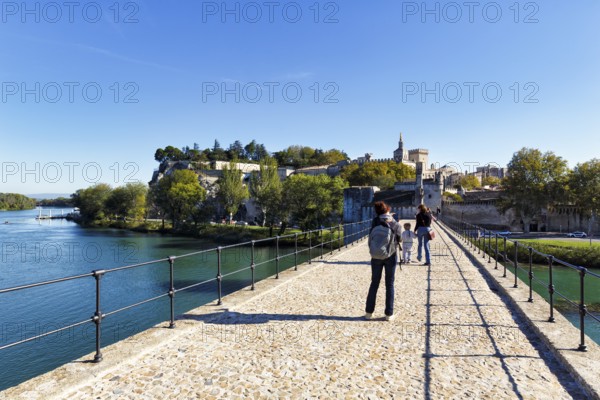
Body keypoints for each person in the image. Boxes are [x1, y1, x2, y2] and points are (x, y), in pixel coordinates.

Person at [365, 201, 402, 321]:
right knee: (389, 284)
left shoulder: (375, 221)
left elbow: (371, 236)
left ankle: (369, 313)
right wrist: (394, 220)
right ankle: (388, 314)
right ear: (387, 210)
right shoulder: (394, 223)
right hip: (390, 255)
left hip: (376, 255)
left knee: (374, 283)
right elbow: (399, 238)